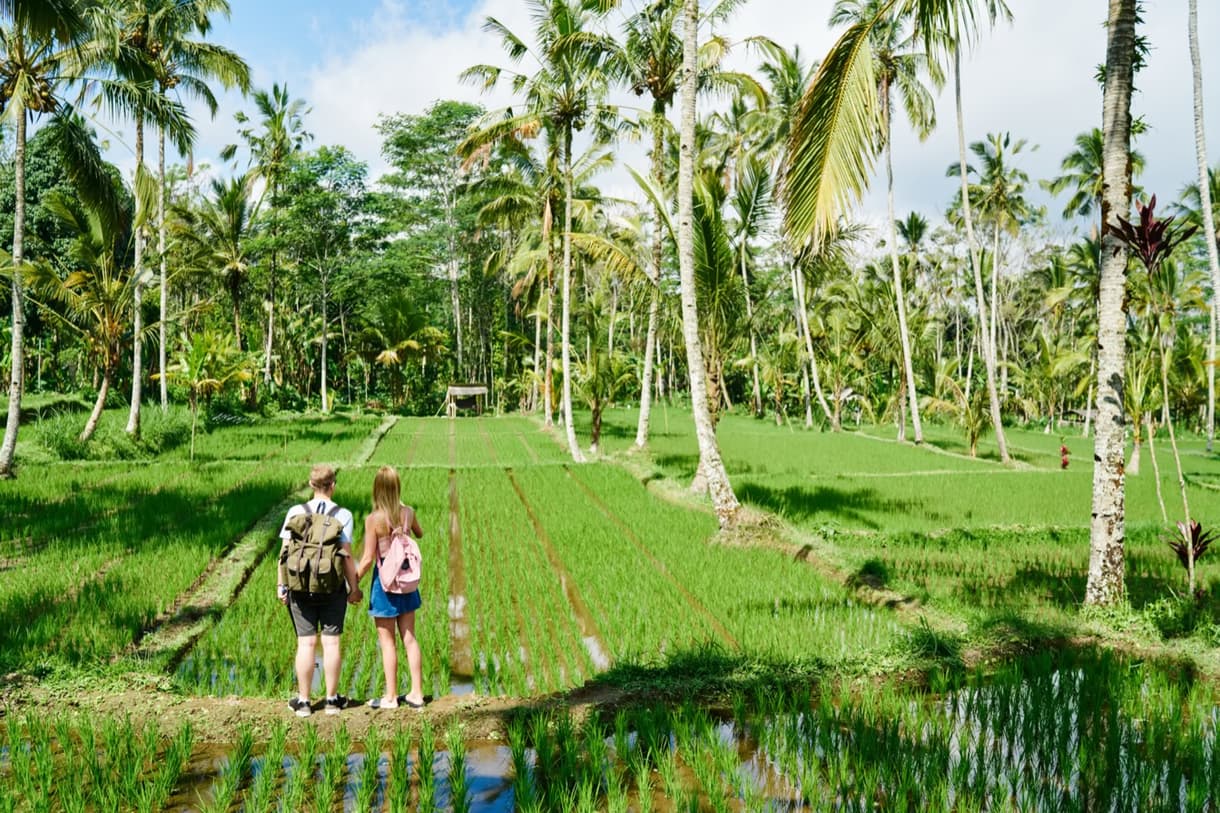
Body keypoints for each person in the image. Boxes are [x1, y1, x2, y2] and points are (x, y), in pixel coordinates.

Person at [278, 464, 362, 717]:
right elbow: (346, 556)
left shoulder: (296, 511)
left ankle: (303, 702)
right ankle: (332, 701)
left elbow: (283, 554)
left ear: (311, 485)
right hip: (331, 587)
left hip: (299, 586)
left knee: (306, 643)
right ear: (333, 485)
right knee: (332, 642)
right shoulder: (343, 514)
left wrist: (281, 586)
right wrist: (354, 588)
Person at [356, 465, 425, 710]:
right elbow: (420, 533)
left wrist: (351, 582)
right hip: (407, 584)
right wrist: (404, 518)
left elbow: (366, 559)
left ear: (377, 489)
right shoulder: (408, 512)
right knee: (410, 638)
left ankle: (391, 697)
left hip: (385, 586)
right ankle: (416, 693)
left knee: (388, 642)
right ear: (397, 488)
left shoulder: (374, 519)